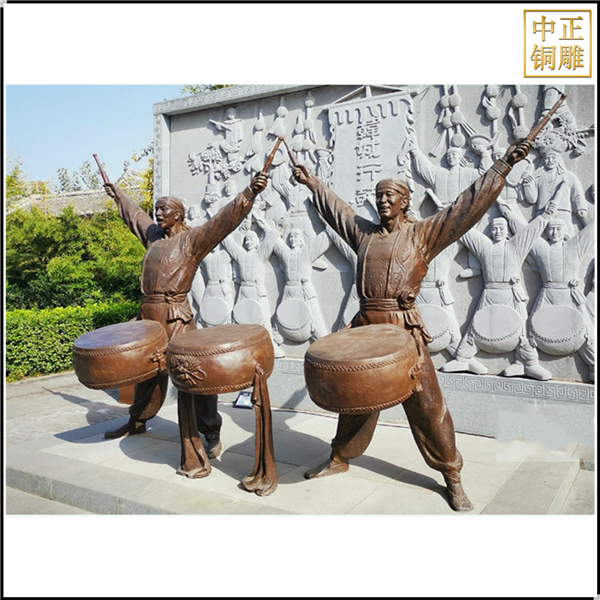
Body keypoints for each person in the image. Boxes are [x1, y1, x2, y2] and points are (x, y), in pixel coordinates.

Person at [292, 139, 533, 511]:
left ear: (404, 201)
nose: (382, 201)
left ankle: (452, 476)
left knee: (429, 406)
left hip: (404, 330)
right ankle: (339, 457)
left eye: (389, 195)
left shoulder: (423, 234)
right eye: (379, 196)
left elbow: (466, 207)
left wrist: (502, 167)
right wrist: (312, 183)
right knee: (356, 396)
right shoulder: (364, 234)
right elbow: (337, 210)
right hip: (366, 326)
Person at [102, 171, 268, 478]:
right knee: (143, 373)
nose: (158, 213)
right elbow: (134, 216)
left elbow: (223, 221)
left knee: (193, 379)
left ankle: (210, 432)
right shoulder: (153, 237)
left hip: (176, 317)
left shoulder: (192, 240)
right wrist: (118, 195)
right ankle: (137, 420)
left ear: (178, 214)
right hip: (148, 316)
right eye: (157, 209)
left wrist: (249, 194)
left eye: (164, 209)